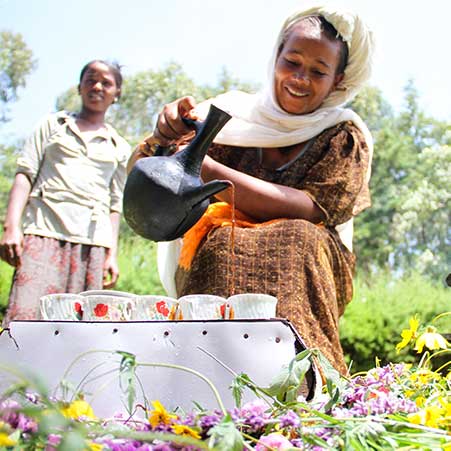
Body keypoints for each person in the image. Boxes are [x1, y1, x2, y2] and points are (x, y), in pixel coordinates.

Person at [128, 3, 374, 374]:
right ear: (275, 56)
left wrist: (209, 171)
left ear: (338, 80)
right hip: (219, 246)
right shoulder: (228, 115)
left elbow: (309, 209)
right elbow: (144, 178)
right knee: (222, 243)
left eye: (318, 71)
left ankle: (304, 386)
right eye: (292, 62)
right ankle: (199, 380)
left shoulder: (342, 134)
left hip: (308, 254)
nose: (300, 78)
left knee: (294, 237)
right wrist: (165, 137)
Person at [0, 60, 130, 323]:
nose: (97, 86)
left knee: (77, 329)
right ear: (79, 86)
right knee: (25, 320)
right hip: (42, 234)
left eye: (106, 83)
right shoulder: (52, 126)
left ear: (117, 93)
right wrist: (11, 227)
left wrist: (111, 254)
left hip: (91, 245)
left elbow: (115, 205)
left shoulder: (120, 147)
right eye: (91, 79)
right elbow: (25, 175)